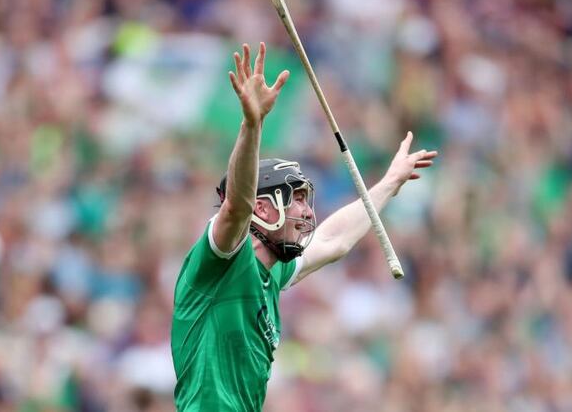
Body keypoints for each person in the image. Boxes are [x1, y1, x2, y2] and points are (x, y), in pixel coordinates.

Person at [171, 42, 438, 411]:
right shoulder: (221, 261)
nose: (307, 213)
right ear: (262, 208)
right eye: (295, 199)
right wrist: (252, 125)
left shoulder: (272, 273)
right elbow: (236, 206)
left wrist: (390, 183)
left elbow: (334, 240)